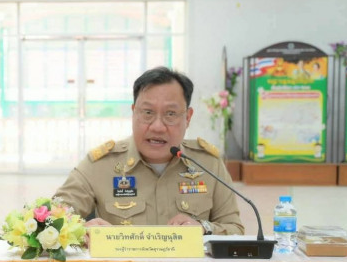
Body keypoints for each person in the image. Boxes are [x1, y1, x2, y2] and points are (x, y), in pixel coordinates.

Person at [54, 66, 244, 235]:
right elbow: (50, 221)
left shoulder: (208, 164)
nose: (157, 126)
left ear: (188, 117)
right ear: (133, 112)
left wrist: (204, 228)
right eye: (147, 113)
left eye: (170, 114)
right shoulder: (99, 165)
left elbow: (235, 230)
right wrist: (81, 230)